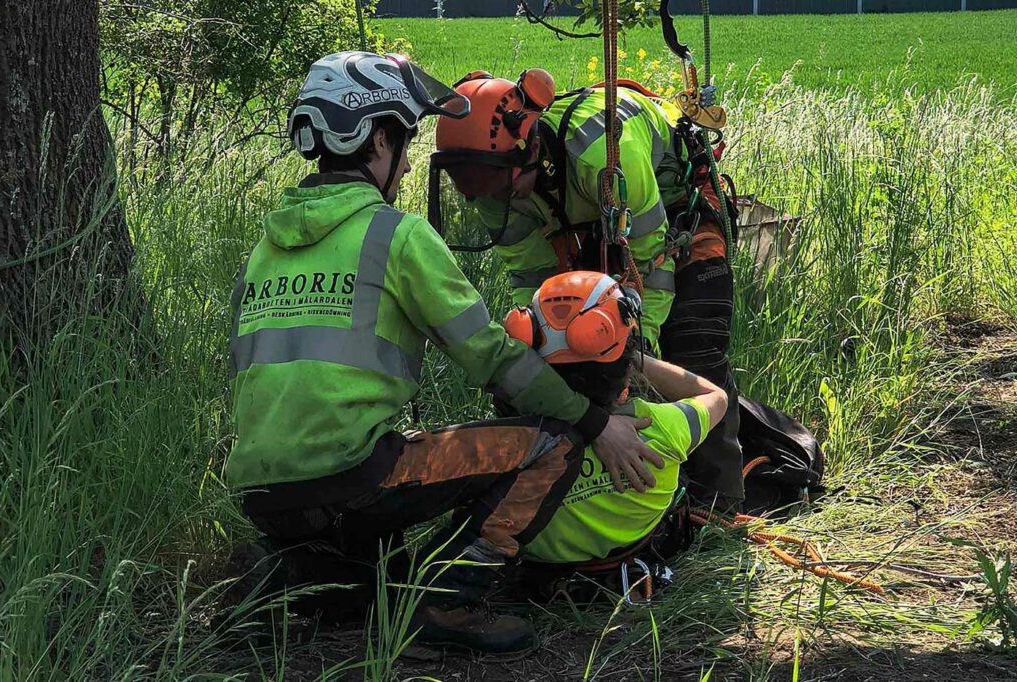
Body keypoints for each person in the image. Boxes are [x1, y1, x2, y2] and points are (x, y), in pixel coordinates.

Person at [225, 51, 665, 658]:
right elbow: (492, 356)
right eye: (403, 145)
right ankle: (444, 603)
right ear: (376, 137)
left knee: (369, 575)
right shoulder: (393, 234)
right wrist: (595, 422)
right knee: (551, 445)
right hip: (355, 478)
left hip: (261, 494)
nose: (406, 168)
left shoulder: (264, 251)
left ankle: (304, 576)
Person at [433, 69, 744, 511]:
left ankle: (722, 505)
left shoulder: (601, 153)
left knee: (694, 348)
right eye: (472, 185)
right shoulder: (492, 184)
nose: (484, 198)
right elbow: (531, 278)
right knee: (575, 363)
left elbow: (649, 263)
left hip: (675, 219)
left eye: (494, 184)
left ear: (531, 147)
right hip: (597, 229)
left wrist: (633, 351)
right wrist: (543, 345)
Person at [501, 270, 727, 566]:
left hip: (541, 578)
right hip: (640, 565)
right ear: (624, 368)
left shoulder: (511, 447)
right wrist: (634, 357)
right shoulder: (663, 428)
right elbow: (716, 397)